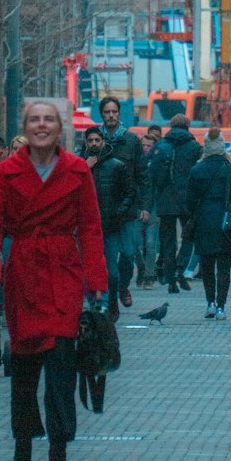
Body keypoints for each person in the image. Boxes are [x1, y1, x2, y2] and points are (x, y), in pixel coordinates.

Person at [0, 101, 106, 461]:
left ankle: (59, 449)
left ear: (60, 127)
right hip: (23, 273)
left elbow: (90, 227)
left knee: (62, 366)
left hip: (64, 272)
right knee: (24, 368)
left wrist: (97, 281)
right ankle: (22, 444)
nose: (41, 125)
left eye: (48, 119)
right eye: (34, 119)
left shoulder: (78, 169)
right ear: (25, 127)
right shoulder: (5, 171)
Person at [186, 127, 231, 320]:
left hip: (204, 222)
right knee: (224, 267)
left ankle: (210, 303)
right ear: (222, 147)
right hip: (226, 224)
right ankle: (221, 306)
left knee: (206, 266)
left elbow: (189, 201)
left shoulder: (196, 170)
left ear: (206, 147)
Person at [96, 96, 150, 307]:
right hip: (105, 209)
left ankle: (123, 286)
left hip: (129, 209)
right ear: (102, 114)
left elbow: (143, 175)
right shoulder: (95, 139)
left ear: (119, 113)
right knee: (109, 260)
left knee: (128, 254)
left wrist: (145, 206)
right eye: (107, 112)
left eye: (114, 112)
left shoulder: (131, 140)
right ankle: (111, 297)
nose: (111, 116)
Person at [82, 125, 136, 319]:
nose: (94, 144)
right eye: (91, 141)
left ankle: (111, 301)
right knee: (88, 271)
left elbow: (129, 192)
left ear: (103, 141)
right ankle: (98, 307)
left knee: (112, 272)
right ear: (86, 143)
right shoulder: (78, 166)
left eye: (97, 140)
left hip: (110, 227)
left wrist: (117, 213)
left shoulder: (116, 165)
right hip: (86, 229)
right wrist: (84, 168)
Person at [149, 114, 203, 293]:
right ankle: (181, 268)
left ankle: (170, 278)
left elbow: (152, 172)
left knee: (168, 240)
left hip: (165, 199)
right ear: (188, 126)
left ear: (171, 126)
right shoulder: (194, 147)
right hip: (187, 199)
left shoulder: (161, 145)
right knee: (190, 236)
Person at [138, 132, 161, 286]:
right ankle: (141, 268)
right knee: (135, 244)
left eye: (149, 146)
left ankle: (149, 275)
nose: (146, 148)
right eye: (144, 145)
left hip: (153, 205)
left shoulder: (157, 163)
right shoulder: (136, 162)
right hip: (136, 205)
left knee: (151, 243)